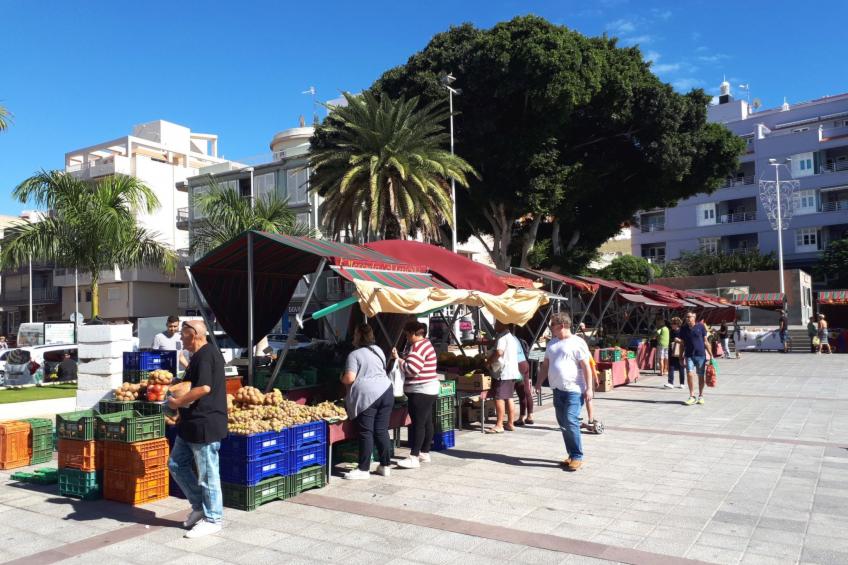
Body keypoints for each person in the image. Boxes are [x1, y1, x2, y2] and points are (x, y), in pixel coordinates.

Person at [167, 320, 227, 538]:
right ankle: (199, 506)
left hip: (205, 424)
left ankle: (213, 519)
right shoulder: (197, 357)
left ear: (194, 335)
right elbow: (194, 383)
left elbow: (204, 388)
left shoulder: (206, 355)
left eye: (183, 334)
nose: (180, 338)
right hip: (190, 424)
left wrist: (177, 402)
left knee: (208, 474)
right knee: (176, 464)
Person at [535, 312, 592, 472]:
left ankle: (577, 456)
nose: (550, 328)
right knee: (564, 424)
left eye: (552, 325)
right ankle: (571, 455)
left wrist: (589, 388)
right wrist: (538, 383)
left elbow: (586, 366)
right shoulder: (552, 344)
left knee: (570, 420)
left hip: (574, 390)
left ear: (561, 326)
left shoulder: (577, 342)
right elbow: (545, 366)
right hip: (557, 390)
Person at [340, 324, 393, 480]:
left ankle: (363, 469)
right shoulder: (378, 350)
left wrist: (341, 378)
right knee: (381, 430)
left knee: (366, 432)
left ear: (358, 336)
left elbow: (350, 378)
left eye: (355, 334)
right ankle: (385, 466)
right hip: (386, 390)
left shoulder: (354, 355)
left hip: (367, 396)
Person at [392, 321, 438, 469]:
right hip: (429, 389)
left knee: (418, 424)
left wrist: (398, 360)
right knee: (426, 422)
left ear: (413, 334)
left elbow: (412, 369)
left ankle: (414, 457)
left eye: (406, 334)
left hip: (420, 391)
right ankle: (425, 452)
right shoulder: (426, 344)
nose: (406, 337)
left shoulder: (417, 347)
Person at [486, 321, 521, 434]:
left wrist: (489, 361)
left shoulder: (502, 336)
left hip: (503, 372)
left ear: (503, 324)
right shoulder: (511, 337)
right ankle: (510, 423)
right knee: (509, 397)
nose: (495, 325)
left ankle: (499, 424)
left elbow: (499, 352)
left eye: (497, 323)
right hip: (512, 372)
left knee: (499, 397)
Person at [680, 312, 711, 406]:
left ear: (694, 317)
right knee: (689, 374)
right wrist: (681, 356)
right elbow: (682, 343)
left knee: (700, 376)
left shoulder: (700, 326)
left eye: (689, 317)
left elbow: (706, 342)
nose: (687, 318)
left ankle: (701, 396)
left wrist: (711, 355)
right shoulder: (683, 328)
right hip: (689, 355)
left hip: (700, 355)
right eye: (686, 317)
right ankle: (692, 396)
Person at [512, 328, 534, 426]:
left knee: (520, 392)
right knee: (526, 391)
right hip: (524, 363)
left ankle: (521, 417)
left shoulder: (507, 338)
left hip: (517, 365)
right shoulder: (516, 338)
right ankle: (530, 416)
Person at [666, 317, 686, 388]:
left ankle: (682, 383)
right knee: (671, 366)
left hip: (680, 350)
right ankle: (670, 382)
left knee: (681, 366)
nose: (671, 325)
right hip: (672, 350)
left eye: (672, 324)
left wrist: (679, 340)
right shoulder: (671, 331)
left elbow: (685, 341)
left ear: (676, 324)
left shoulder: (682, 331)